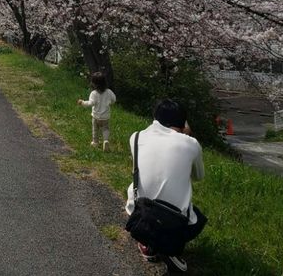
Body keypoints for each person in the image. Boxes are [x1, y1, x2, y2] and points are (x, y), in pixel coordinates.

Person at [126, 99, 207, 274]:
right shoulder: (191, 144)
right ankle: (170, 249)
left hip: (139, 215)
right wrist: (188, 136)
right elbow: (199, 176)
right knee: (198, 219)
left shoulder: (136, 137)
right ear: (183, 122)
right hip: (172, 221)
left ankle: (148, 244)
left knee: (141, 191)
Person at [77, 71, 116, 151]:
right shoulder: (109, 92)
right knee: (105, 129)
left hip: (96, 117)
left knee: (95, 130)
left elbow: (90, 103)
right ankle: (106, 141)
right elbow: (114, 99)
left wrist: (82, 102)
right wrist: (110, 103)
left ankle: (95, 142)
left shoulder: (93, 93)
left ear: (94, 84)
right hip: (105, 117)